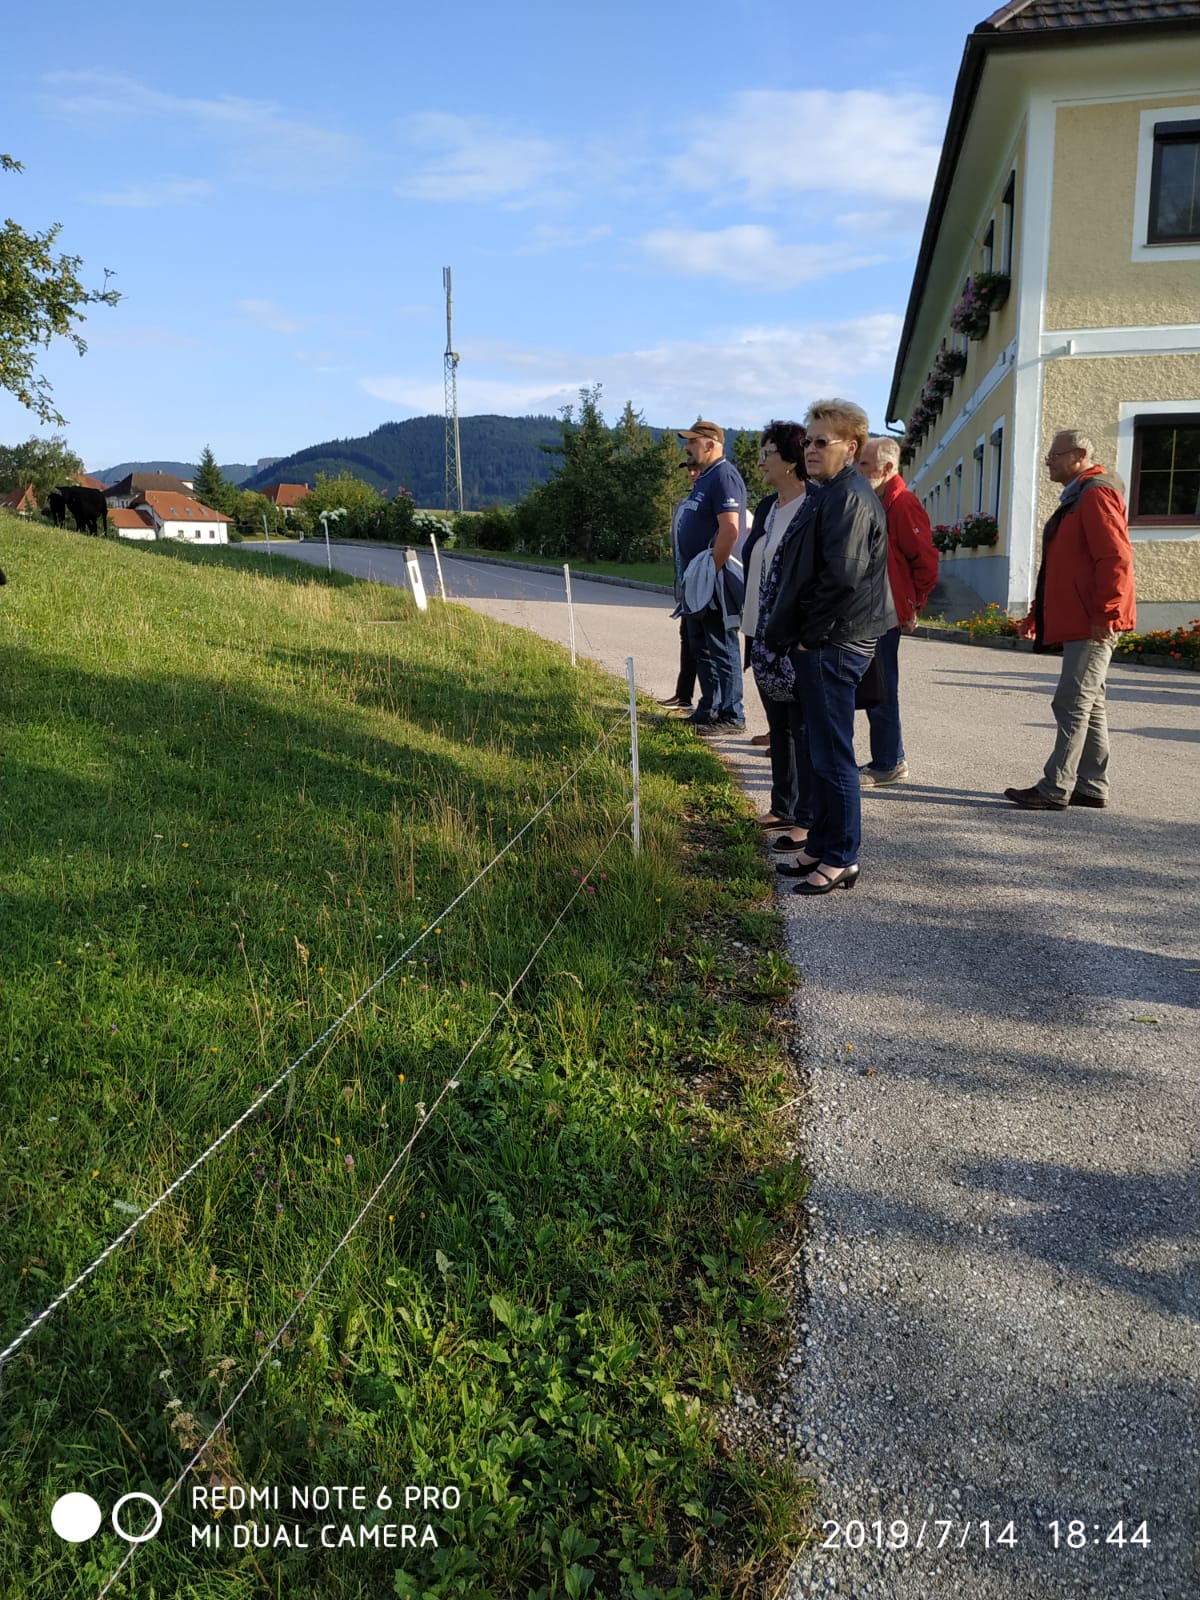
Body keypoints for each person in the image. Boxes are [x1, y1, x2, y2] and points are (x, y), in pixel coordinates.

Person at [763, 399, 895, 895]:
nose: (810, 449)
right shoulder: (830, 492)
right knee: (819, 752)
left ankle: (842, 856)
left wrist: (806, 636)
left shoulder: (849, 498)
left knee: (834, 756)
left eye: (822, 441)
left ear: (852, 447)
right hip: (824, 642)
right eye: (808, 441)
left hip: (833, 643)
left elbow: (841, 577)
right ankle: (820, 843)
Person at [1004, 430, 1135, 810]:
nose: (1048, 460)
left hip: (1093, 620)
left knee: (1071, 702)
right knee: (1090, 703)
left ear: (1078, 456)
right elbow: (1061, 567)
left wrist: (1107, 613)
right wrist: (1036, 614)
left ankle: (1054, 787)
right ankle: (1092, 786)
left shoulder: (1095, 494)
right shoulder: (1080, 496)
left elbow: (1115, 558)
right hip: (1084, 616)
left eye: (1055, 454)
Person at [741, 421, 813, 832]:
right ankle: (782, 805)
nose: (760, 462)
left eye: (767, 453)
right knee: (778, 726)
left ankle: (806, 815)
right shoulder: (768, 507)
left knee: (801, 726)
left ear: (789, 460)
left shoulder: (812, 505)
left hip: (792, 636)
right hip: (760, 632)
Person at [856, 435, 939, 784]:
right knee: (876, 685)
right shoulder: (881, 499)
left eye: (864, 464)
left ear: (888, 467)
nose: (858, 470)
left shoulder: (902, 503)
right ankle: (891, 757)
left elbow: (926, 561)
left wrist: (912, 606)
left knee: (882, 688)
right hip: (874, 609)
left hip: (887, 611)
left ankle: (888, 762)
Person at [672, 419, 746, 732]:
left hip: (713, 579)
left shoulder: (724, 476)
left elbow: (730, 530)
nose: (687, 448)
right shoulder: (706, 477)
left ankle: (732, 714)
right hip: (698, 578)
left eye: (692, 442)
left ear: (711, 444)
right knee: (700, 644)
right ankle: (709, 707)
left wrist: (709, 572)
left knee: (721, 644)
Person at [659, 463, 701, 711]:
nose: (692, 473)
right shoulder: (684, 504)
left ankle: (717, 704)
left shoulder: (708, 501)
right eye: (690, 470)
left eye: (697, 469)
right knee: (687, 637)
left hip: (703, 584)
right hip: (686, 584)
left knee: (703, 644)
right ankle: (683, 694)